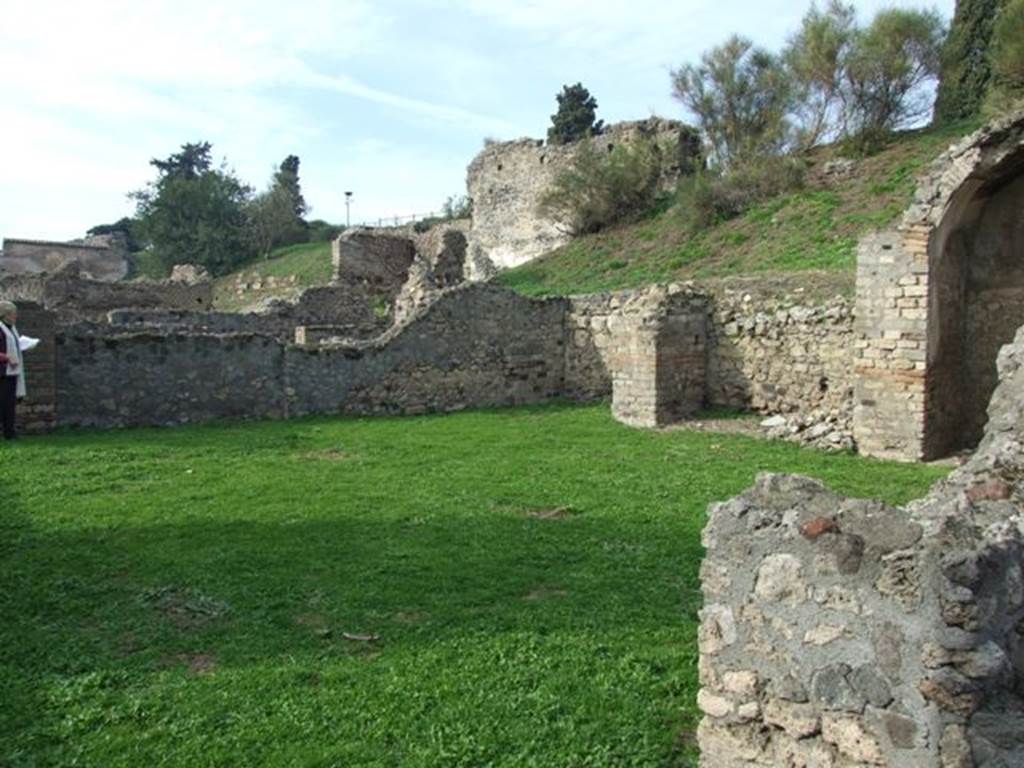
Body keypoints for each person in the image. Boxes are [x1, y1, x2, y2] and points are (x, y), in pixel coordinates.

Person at [0, 300, 26, 440]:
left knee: (9, 404)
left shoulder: (11, 329)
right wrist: (7, 357)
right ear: (5, 315)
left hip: (12, 372)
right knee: (2, 404)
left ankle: (9, 433)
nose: (15, 316)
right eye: (13, 314)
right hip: (2, 372)